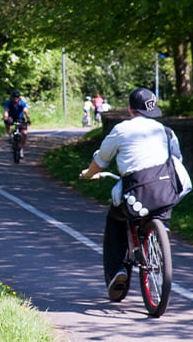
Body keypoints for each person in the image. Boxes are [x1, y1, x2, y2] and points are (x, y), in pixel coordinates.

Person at [78, 87, 182, 301]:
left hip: (136, 191)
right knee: (160, 209)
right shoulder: (166, 131)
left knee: (116, 219)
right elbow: (178, 160)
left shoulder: (121, 130)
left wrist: (88, 175)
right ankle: (162, 229)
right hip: (165, 190)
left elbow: (101, 161)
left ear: (129, 109)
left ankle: (118, 270)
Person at [3, 90, 31, 159]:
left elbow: (26, 111)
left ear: (19, 97)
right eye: (13, 97)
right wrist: (5, 118)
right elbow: (6, 111)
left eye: (17, 97)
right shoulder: (8, 103)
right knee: (7, 121)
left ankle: (21, 148)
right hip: (11, 117)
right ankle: (9, 135)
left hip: (20, 118)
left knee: (24, 133)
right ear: (11, 97)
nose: (15, 98)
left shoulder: (22, 103)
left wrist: (28, 119)